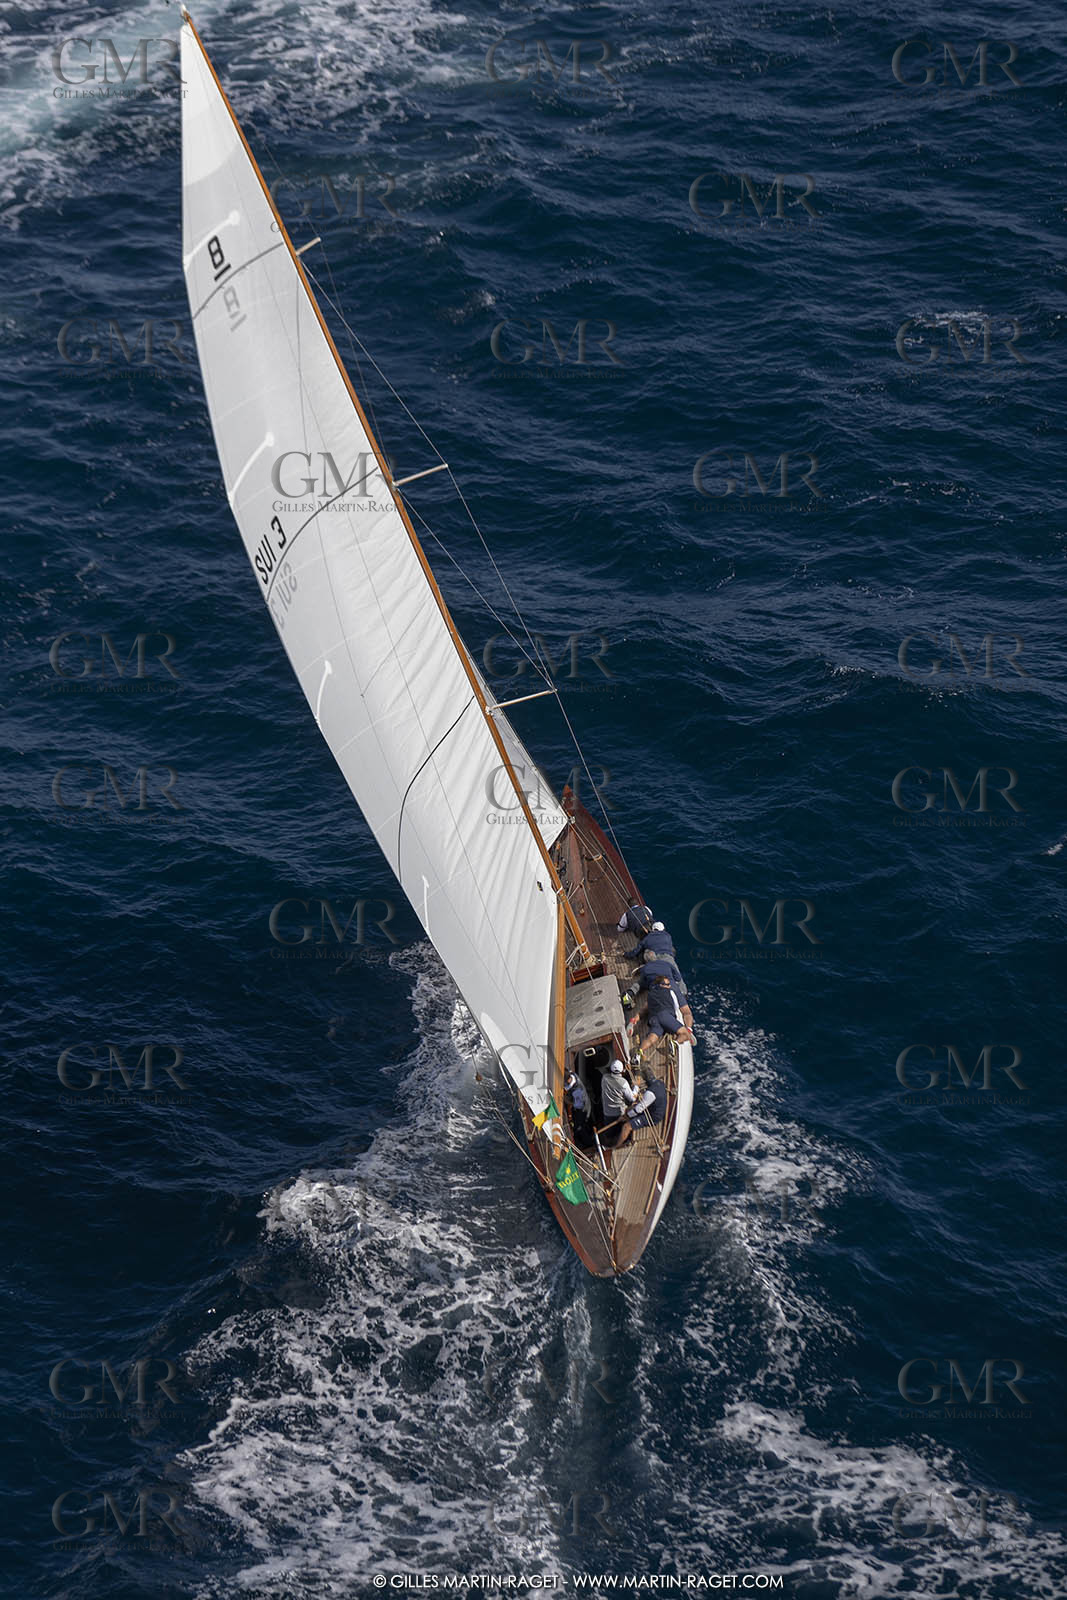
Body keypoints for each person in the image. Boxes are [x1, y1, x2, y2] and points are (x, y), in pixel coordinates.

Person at [639, 976, 694, 1053]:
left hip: (654, 1019)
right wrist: (688, 1028)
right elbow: (677, 1007)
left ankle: (638, 1054)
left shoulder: (650, 994)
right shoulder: (670, 992)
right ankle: (675, 1043)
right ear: (660, 984)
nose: (669, 986)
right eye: (667, 984)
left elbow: (645, 1009)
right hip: (665, 1016)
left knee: (651, 1038)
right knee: (686, 1034)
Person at [615, 1076, 668, 1144]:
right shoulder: (659, 1083)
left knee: (626, 1127)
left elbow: (638, 1110)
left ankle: (617, 1145)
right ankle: (623, 1133)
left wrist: (626, 1116)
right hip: (651, 1108)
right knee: (628, 1110)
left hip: (653, 1117)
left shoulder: (650, 1093)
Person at [599, 1058, 638, 1124]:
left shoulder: (604, 1078)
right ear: (622, 1070)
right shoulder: (624, 1083)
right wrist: (636, 1087)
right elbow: (633, 1098)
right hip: (620, 1114)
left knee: (609, 1132)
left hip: (607, 1113)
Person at [564, 1070, 593, 1147]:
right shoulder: (573, 1075)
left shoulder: (577, 1091)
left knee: (579, 1127)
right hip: (583, 1103)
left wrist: (566, 1100)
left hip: (583, 1109)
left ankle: (588, 1144)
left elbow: (577, 1105)